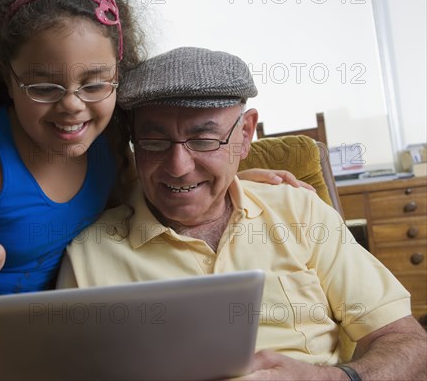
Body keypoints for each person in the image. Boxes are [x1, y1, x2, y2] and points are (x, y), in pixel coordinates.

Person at [0, 0, 302, 379]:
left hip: (17, 341)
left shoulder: (108, 139)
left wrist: (222, 178)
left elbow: (146, 186)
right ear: (7, 77)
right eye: (44, 86)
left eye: (95, 84)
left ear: (120, 71)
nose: (72, 105)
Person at [57, 47, 427, 380]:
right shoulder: (91, 254)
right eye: (154, 142)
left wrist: (331, 379)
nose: (179, 166)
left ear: (246, 133)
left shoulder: (298, 210)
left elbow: (407, 343)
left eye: (204, 140)